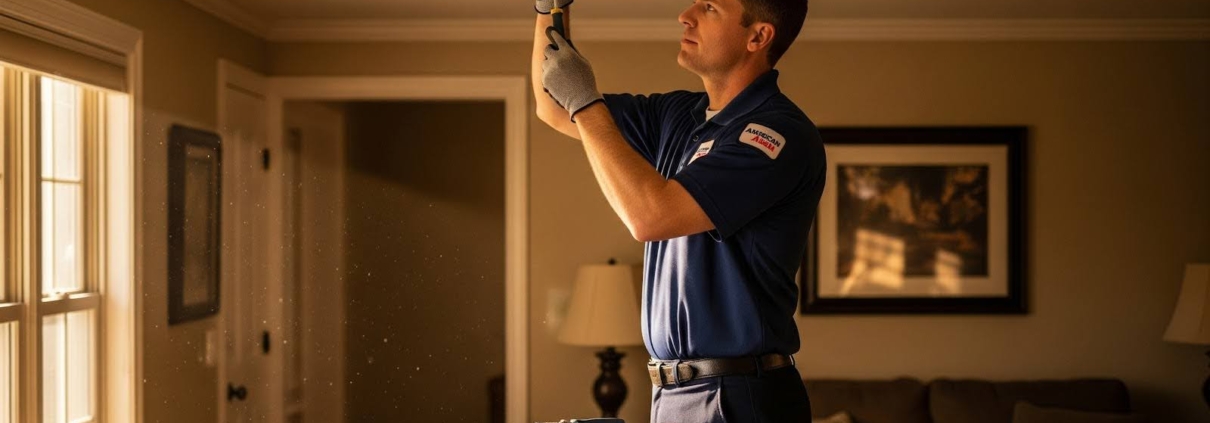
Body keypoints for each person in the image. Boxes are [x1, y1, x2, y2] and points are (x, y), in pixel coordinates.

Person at [532, 0, 824, 420]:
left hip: (736, 397)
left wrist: (586, 101)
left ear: (757, 37)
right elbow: (555, 106)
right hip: (672, 395)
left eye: (710, 8)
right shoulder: (677, 117)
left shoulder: (776, 133)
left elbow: (653, 217)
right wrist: (549, 7)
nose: (685, 15)